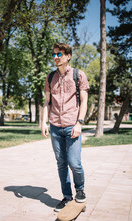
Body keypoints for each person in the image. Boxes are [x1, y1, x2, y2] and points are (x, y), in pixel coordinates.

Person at [41, 42, 89, 212]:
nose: (55, 57)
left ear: (68, 56)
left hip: (72, 126)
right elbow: (47, 102)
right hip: (55, 126)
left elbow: (84, 101)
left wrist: (79, 123)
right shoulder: (50, 77)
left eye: (59, 54)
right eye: (54, 54)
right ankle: (67, 196)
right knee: (61, 163)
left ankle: (80, 190)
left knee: (74, 163)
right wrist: (44, 122)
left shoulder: (78, 75)